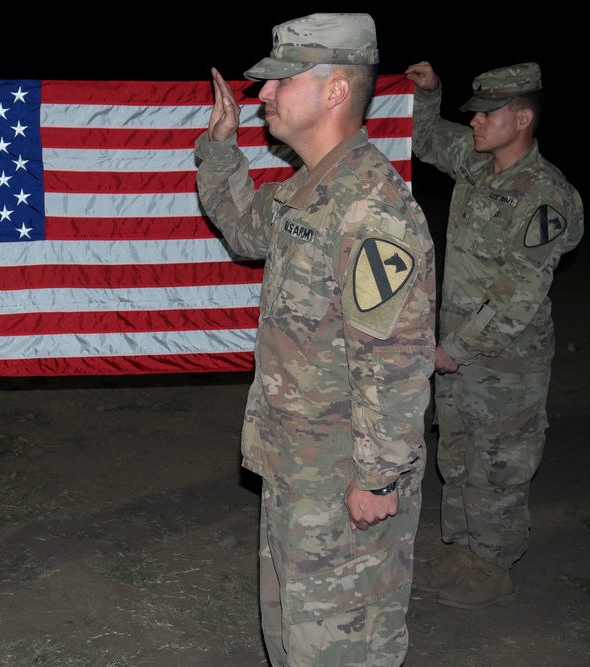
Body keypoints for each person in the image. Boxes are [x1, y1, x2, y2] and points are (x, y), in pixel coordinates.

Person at [195, 13, 436, 666]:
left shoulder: (372, 211)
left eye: (279, 80)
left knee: (342, 647)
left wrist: (378, 479)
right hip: (297, 471)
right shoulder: (308, 194)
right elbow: (246, 231)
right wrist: (221, 146)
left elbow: (396, 361)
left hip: (344, 487)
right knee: (294, 642)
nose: (261, 95)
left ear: (335, 92)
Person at [405, 60, 584, 609]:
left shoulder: (544, 195)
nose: (476, 122)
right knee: (457, 454)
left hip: (506, 361)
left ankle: (493, 565)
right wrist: (431, 94)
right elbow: (425, 136)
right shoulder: (476, 161)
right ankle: (462, 551)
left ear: (523, 118)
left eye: (487, 114)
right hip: (457, 349)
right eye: (474, 113)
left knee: (499, 463)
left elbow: (517, 296)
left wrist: (451, 350)